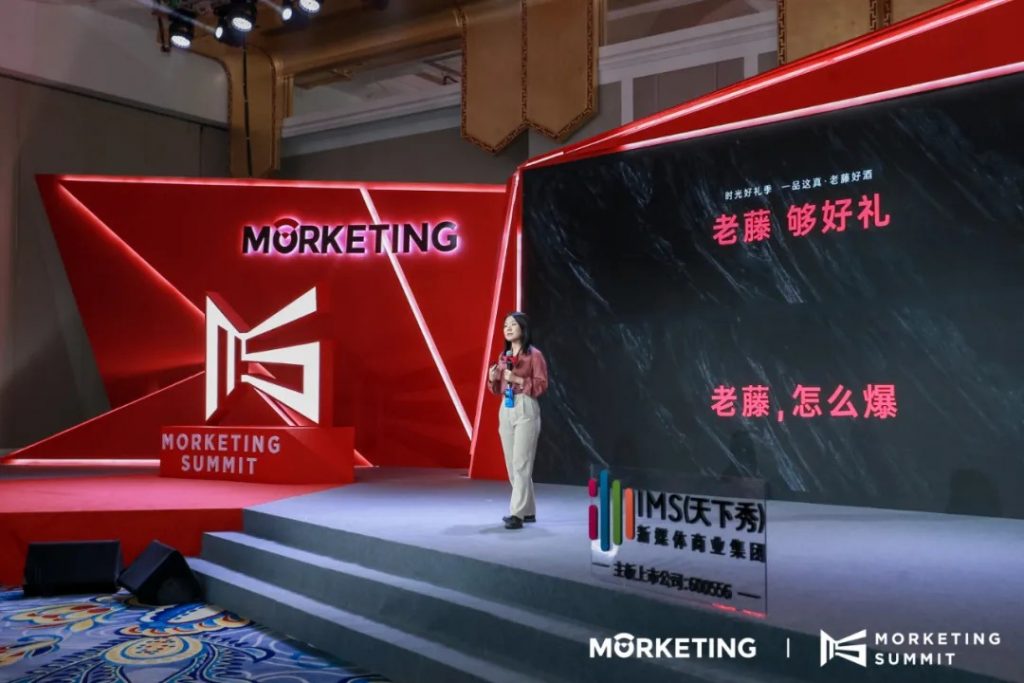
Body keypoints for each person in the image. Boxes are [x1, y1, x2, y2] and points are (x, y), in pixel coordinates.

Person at [487, 312, 549, 529]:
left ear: (523, 329)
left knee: (521, 463)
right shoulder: (503, 357)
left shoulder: (534, 355)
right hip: (506, 407)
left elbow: (541, 384)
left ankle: (517, 514)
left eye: (513, 324)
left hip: (525, 406)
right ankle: (528, 510)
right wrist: (492, 379)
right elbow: (497, 389)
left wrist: (518, 379)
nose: (508, 328)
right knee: (512, 465)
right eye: (506, 325)